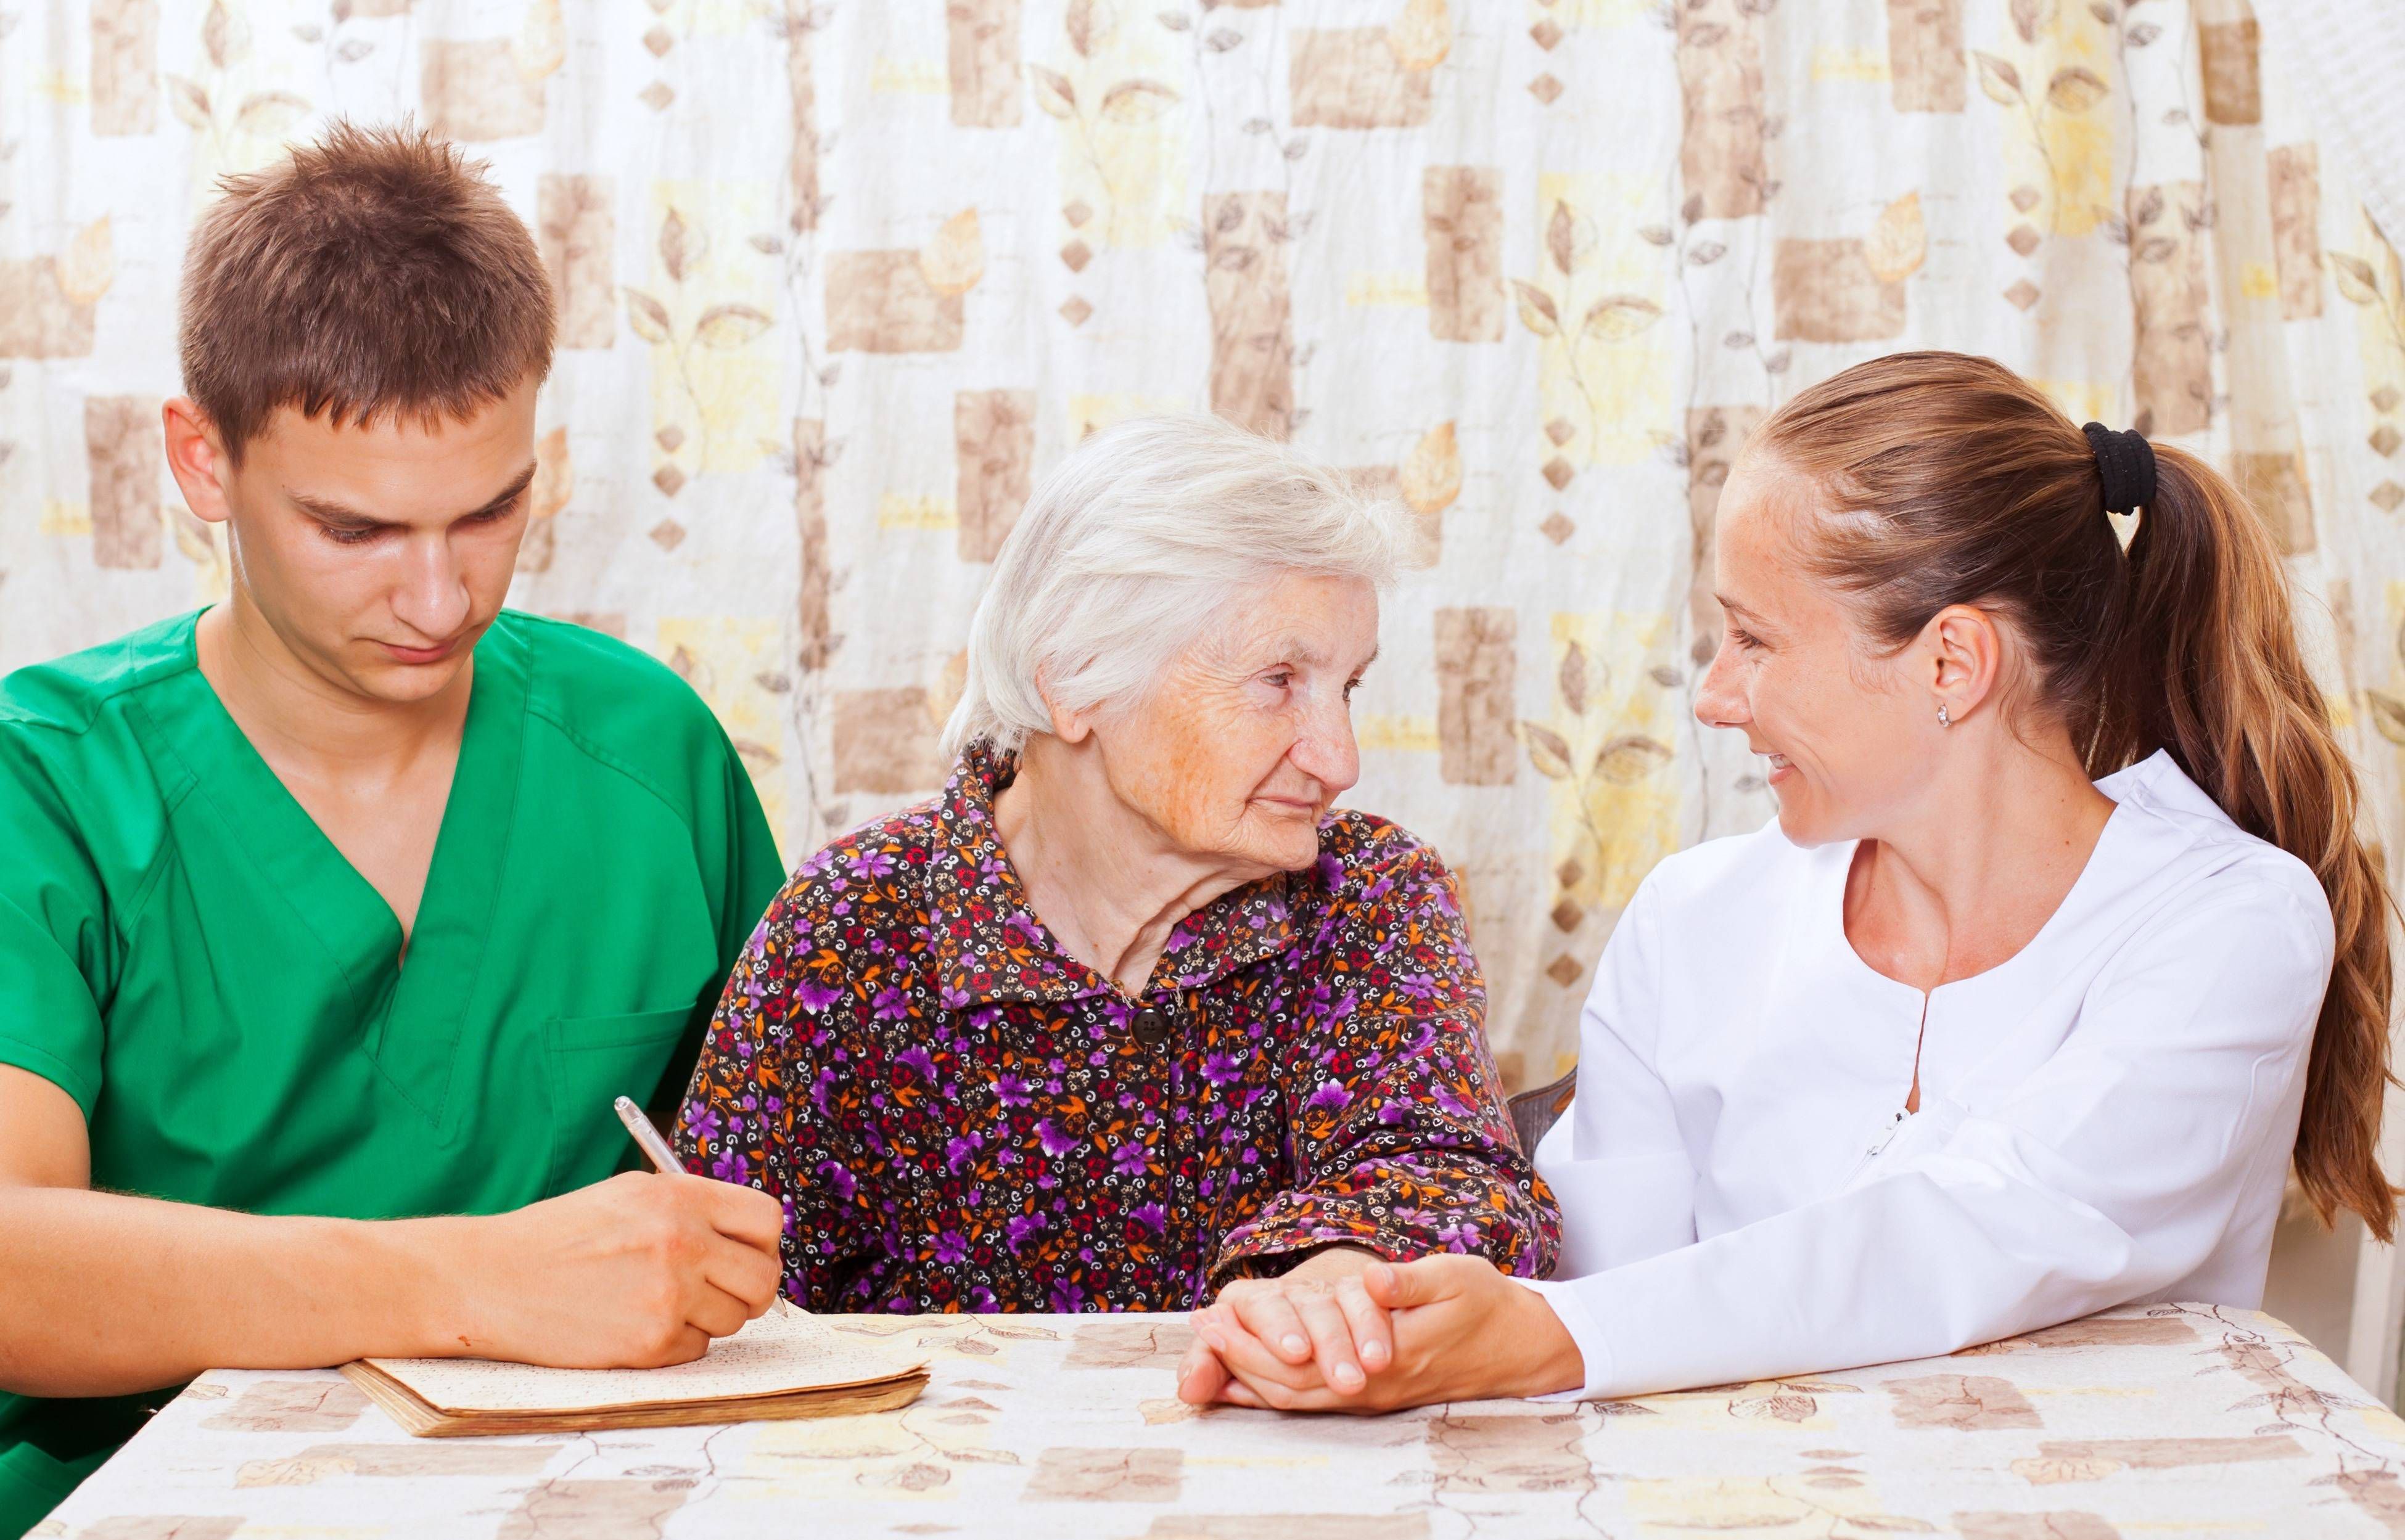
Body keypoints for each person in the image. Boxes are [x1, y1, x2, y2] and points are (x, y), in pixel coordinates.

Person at [1176, 349, 2393, 1410]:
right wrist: (1366, 1302)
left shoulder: (2229, 924)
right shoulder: (1696, 919)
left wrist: (1548, 1337)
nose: (1714, 694)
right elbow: (1599, 1281)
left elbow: (1981, 1232)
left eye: (1754, 638)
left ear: (1952, 662)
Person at [0, 124, 788, 1534]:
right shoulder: (45, 785)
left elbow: (805, 1191)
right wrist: (474, 1282)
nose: (439, 598)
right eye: (355, 530)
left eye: (490, 510)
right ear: (201, 460)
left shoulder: (649, 754)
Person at [675, 414, 1557, 1372]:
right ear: (1075, 680)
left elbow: (1458, 1176)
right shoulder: (851, 924)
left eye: (1347, 687)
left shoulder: (1367, 894)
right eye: (1278, 681)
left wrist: (1341, 1271)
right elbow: (720, 1286)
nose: (1339, 757)